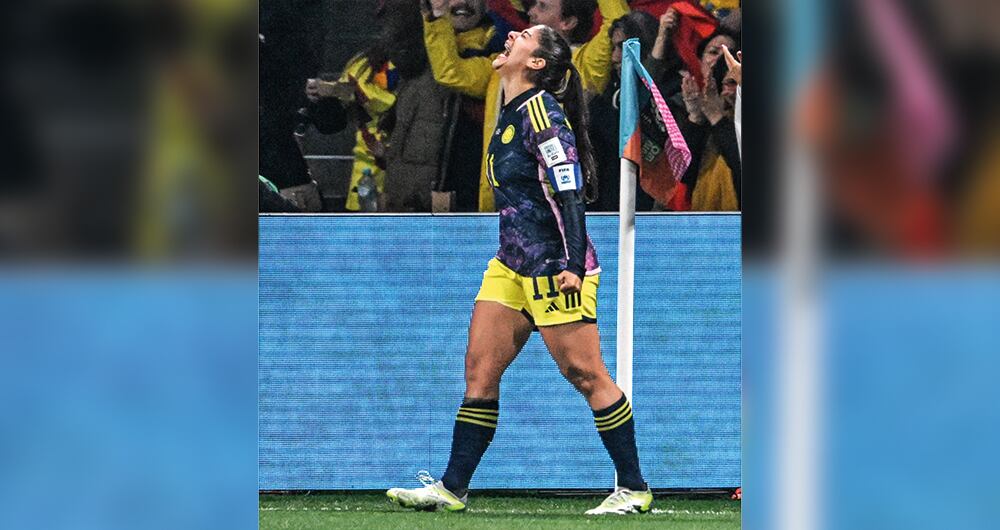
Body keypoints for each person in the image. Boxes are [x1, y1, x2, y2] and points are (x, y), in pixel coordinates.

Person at [387, 25, 652, 516]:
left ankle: (633, 488)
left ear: (536, 63)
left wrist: (573, 263)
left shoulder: (541, 115)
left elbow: (570, 192)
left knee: (585, 373)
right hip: (510, 263)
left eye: (525, 35)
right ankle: (452, 488)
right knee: (479, 371)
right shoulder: (508, 111)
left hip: (554, 266)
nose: (511, 32)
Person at [422, 0, 628, 212]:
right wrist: (437, 16)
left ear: (568, 22)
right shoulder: (505, 65)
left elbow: (618, 20)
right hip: (499, 199)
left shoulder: (582, 65)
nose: (531, 12)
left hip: (550, 206)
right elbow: (451, 72)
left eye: (542, 6)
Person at [587, 11, 659, 211]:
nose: (615, 57)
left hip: (647, 214)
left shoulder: (666, 94)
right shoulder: (609, 91)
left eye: (623, 47)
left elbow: (625, 138)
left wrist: (594, 110)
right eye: (613, 47)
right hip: (604, 210)